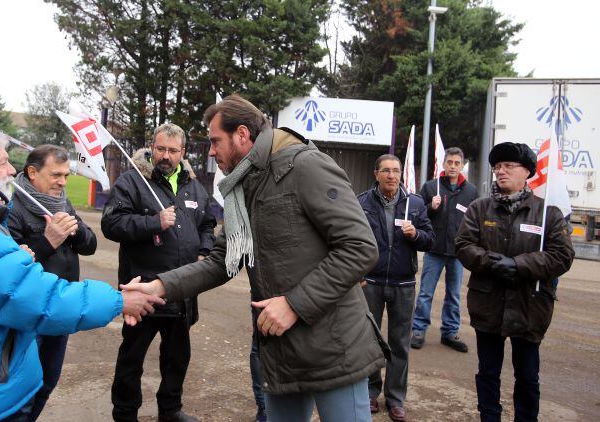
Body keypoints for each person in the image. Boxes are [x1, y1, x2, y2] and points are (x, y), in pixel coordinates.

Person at [122, 95, 387, 422]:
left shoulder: (306, 166)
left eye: (216, 141)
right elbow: (223, 260)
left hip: (334, 348)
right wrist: (160, 287)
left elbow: (360, 247)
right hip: (279, 348)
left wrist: (294, 304)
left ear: (242, 135)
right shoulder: (241, 186)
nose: (211, 151)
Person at [0, 125, 163, 421]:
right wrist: (117, 301)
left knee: (46, 381)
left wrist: (16, 258)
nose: (11, 169)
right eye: (1, 162)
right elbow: (38, 299)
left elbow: (83, 246)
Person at [102, 123, 216, 422]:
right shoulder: (132, 180)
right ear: (152, 148)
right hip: (143, 289)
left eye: (173, 150)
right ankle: (125, 413)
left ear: (183, 152)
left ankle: (171, 409)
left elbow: (207, 224)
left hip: (182, 288)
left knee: (177, 357)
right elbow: (111, 224)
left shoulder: (193, 185)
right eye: (161, 149)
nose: (166, 156)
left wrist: (204, 251)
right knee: (132, 357)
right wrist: (154, 222)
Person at [455, 142, 574, 422]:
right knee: (488, 373)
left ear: (527, 172)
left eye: (509, 166)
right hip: (488, 304)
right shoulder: (480, 209)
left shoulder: (548, 214)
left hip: (530, 307)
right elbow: (463, 246)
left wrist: (519, 265)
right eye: (497, 167)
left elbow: (562, 256)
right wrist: (496, 264)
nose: (501, 171)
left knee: (528, 376)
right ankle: (489, 417)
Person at [7, 144, 98, 420]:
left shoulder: (63, 203)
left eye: (66, 176)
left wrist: (75, 231)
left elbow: (90, 244)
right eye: (56, 175)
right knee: (20, 389)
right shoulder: (14, 210)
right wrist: (49, 240)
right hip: (29, 314)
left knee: (48, 381)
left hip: (62, 307)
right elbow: (8, 268)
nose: (62, 182)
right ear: (32, 172)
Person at [357, 154, 434, 422]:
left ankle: (395, 398)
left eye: (396, 171)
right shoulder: (362, 202)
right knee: (370, 341)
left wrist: (417, 235)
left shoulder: (414, 203)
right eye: (386, 171)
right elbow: (351, 240)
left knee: (400, 343)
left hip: (403, 283)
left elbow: (429, 240)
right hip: (371, 281)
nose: (392, 176)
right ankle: (369, 391)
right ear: (376, 173)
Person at [411, 147, 478, 352]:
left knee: (454, 295)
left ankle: (449, 332)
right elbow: (417, 215)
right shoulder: (431, 187)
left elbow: (475, 221)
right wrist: (431, 207)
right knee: (425, 293)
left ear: (462, 165)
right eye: (450, 162)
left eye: (457, 163)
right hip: (434, 249)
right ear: (443, 164)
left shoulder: (471, 191)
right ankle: (419, 329)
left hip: (458, 252)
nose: (453, 166)